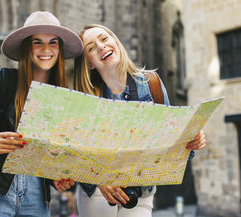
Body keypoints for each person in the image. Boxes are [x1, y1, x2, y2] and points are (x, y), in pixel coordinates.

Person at [73, 24, 207, 217]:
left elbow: (172, 142)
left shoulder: (151, 84)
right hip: (99, 191)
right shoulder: (84, 96)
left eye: (104, 39)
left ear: (115, 42)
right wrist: (97, 179)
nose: (101, 47)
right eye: (91, 48)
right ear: (89, 63)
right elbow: (73, 151)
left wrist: (192, 141)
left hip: (141, 191)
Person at [0, 11, 81, 217]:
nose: (46, 49)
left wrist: (55, 177)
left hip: (36, 195)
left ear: (59, 49)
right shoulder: (2, 79)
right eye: (38, 42)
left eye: (53, 43)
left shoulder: (63, 98)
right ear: (27, 47)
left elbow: (50, 153)